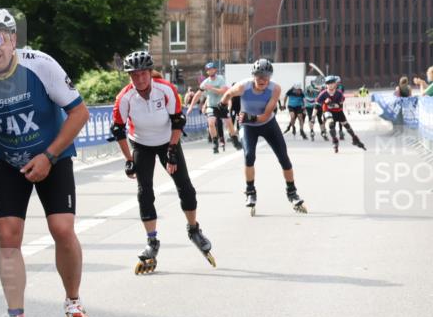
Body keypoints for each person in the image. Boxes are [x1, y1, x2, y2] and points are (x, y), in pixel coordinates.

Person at [0, 6, 91, 317]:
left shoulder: (42, 66)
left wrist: (49, 155)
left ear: (13, 39)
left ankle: (73, 302)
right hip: (9, 163)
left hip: (54, 155)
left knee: (62, 228)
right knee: (8, 235)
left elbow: (79, 112)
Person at [112, 50, 215, 274]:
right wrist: (128, 159)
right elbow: (118, 130)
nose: (138, 79)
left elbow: (177, 122)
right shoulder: (124, 97)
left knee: (185, 187)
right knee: (144, 191)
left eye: (142, 74)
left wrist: (171, 151)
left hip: (168, 140)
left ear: (150, 73)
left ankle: (194, 229)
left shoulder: (166, 90)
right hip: (141, 144)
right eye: (133, 75)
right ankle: (152, 241)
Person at [221, 59, 306, 215]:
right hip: (248, 127)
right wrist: (222, 105)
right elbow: (227, 94)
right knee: (249, 156)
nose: (262, 80)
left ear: (270, 77)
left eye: (266, 77)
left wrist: (250, 117)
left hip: (267, 124)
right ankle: (250, 191)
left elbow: (265, 114)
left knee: (284, 158)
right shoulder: (243, 86)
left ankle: (292, 192)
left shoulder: (275, 89)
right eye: (259, 76)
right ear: (253, 76)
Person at [317, 75, 366, 153]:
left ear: (335, 84)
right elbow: (318, 102)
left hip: (338, 111)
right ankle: (335, 141)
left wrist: (335, 104)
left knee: (346, 126)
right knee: (331, 124)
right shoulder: (323, 93)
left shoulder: (339, 93)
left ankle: (355, 139)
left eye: (332, 83)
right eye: (328, 84)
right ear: (326, 85)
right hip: (328, 111)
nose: (330, 85)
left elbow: (340, 104)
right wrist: (324, 102)